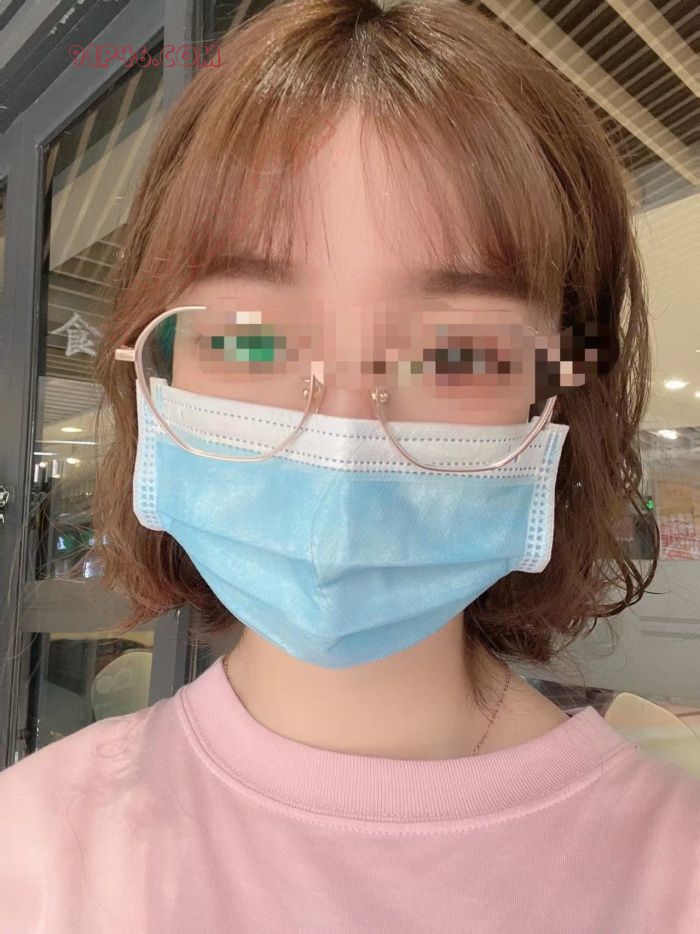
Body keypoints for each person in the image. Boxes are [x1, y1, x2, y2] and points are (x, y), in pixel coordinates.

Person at [1, 1, 699, 930]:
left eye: (457, 354)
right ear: (149, 378)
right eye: (248, 344)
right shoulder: (29, 851)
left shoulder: (673, 874)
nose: (341, 433)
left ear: (561, 403)